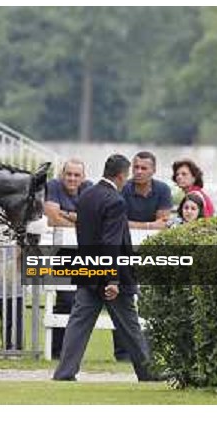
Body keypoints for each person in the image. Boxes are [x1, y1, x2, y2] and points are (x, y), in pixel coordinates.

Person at [53, 154, 157, 382]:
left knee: (78, 324)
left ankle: (64, 372)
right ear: (121, 175)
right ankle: (148, 372)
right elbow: (111, 244)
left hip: (88, 270)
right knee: (130, 326)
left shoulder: (86, 195)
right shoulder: (116, 201)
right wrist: (112, 279)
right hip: (111, 274)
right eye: (128, 174)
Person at [113, 151, 173, 361]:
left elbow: (164, 224)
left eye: (143, 168)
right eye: (136, 167)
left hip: (149, 252)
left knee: (149, 301)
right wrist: (149, 225)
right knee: (122, 298)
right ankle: (122, 353)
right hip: (123, 252)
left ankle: (148, 352)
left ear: (153, 170)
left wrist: (134, 225)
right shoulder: (123, 188)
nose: (138, 172)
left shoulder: (163, 189)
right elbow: (118, 222)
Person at [44, 158, 92, 358]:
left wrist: (67, 215)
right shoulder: (53, 186)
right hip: (58, 250)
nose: (72, 178)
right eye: (68, 174)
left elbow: (93, 220)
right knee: (65, 299)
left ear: (83, 177)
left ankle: (68, 352)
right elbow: (52, 218)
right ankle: (57, 351)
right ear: (62, 174)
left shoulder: (89, 188)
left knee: (79, 301)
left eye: (76, 175)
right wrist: (78, 218)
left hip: (82, 252)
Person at [0, 245, 24, 353]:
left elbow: (20, 264)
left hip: (16, 290)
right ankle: (6, 345)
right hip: (1, 290)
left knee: (17, 319)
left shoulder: (18, 247)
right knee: (5, 320)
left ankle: (18, 347)